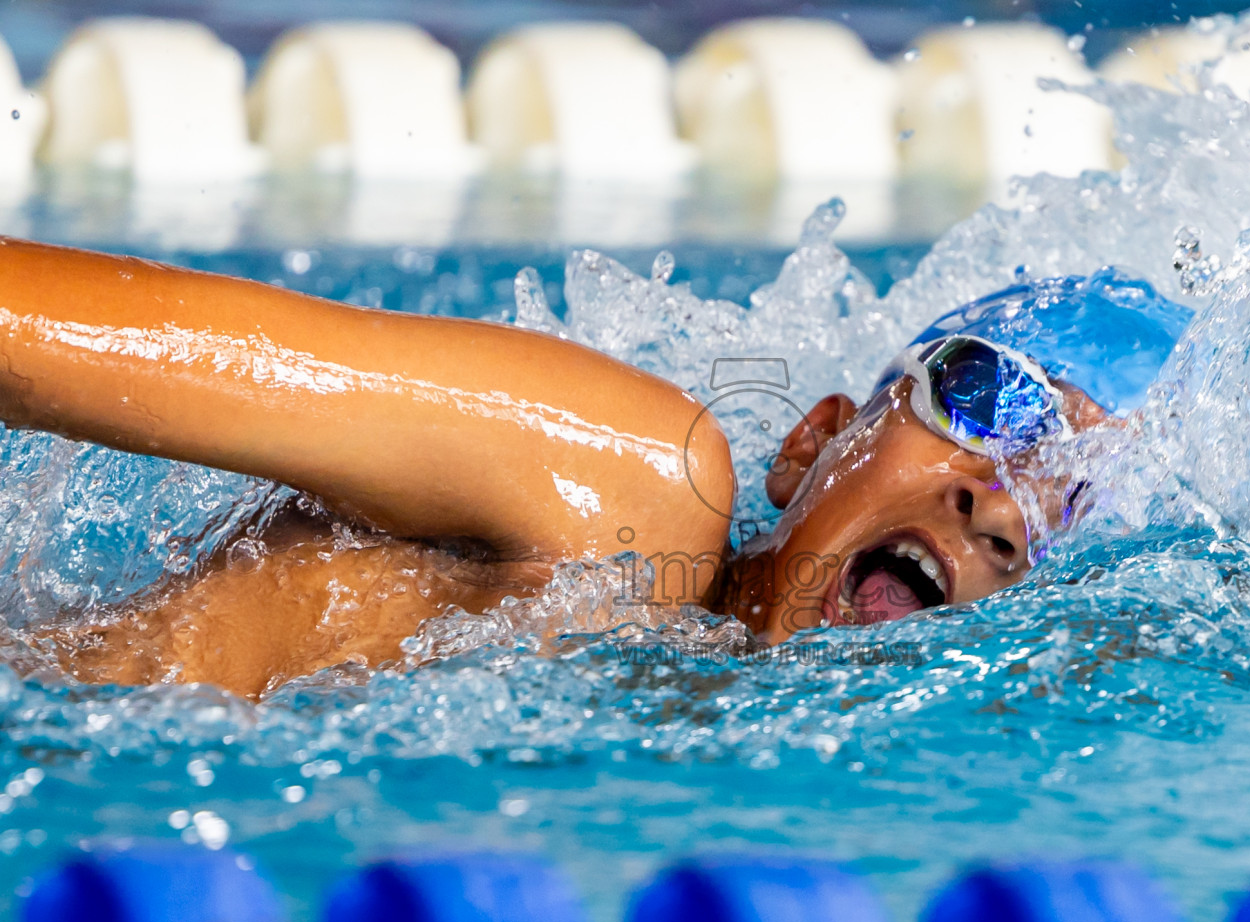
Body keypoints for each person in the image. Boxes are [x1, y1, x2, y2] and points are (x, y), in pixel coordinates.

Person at [0, 238, 1190, 698]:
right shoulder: (632, 489)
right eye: (990, 399)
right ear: (815, 439)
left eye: (1070, 502)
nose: (1003, 501)